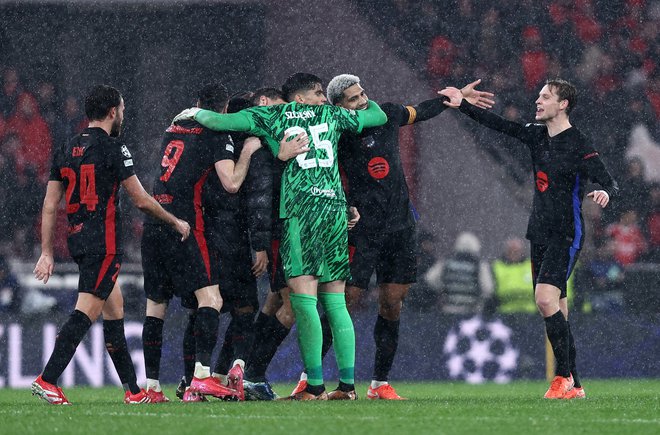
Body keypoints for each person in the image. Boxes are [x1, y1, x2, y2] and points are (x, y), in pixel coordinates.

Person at [173, 72, 387, 400]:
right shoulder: (333, 115)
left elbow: (220, 121)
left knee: (303, 302)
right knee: (334, 301)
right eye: (317, 92)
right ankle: (346, 387)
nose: (322, 98)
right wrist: (365, 98)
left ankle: (314, 387)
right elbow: (378, 115)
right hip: (334, 212)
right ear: (300, 98)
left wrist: (192, 113)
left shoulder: (274, 114)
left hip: (301, 214)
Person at [292, 74, 494, 400]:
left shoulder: (387, 114)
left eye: (362, 94)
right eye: (353, 99)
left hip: (401, 227)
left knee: (392, 304)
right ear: (339, 107)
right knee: (342, 303)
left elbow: (421, 110)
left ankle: (379, 384)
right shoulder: (337, 133)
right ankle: (309, 380)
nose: (362, 101)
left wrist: (456, 98)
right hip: (362, 231)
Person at [442, 78, 619, 399]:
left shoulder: (578, 142)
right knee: (557, 311)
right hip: (538, 232)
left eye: (546, 97)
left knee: (544, 299)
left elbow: (608, 179)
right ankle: (576, 385)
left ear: (563, 104)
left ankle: (562, 377)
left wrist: (605, 190)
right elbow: (497, 124)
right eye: (538, 95)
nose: (538, 101)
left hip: (566, 233)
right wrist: (462, 105)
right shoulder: (536, 135)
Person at [31, 84, 191, 405]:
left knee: (114, 309)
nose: (123, 115)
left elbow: (50, 205)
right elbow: (142, 200)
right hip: (102, 242)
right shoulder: (115, 148)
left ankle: (133, 391)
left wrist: (47, 251)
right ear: (112, 112)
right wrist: (175, 222)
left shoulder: (67, 147)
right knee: (85, 310)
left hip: (77, 239)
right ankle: (48, 379)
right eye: (122, 109)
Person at [140, 84, 262, 402]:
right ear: (222, 112)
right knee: (211, 299)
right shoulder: (216, 132)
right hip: (183, 223)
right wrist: (247, 151)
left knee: (156, 307)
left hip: (154, 222)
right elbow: (232, 182)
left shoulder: (176, 124)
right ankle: (202, 377)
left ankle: (151, 387)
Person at [424, 231, 494, 316]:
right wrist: (480, 302)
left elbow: (430, 279)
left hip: (449, 310)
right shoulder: (480, 265)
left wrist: (442, 289)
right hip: (471, 312)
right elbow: (488, 288)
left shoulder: (446, 262)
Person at [491, 237, 535, 314]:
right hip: (505, 313)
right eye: (511, 251)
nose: (514, 254)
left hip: (530, 313)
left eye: (517, 251)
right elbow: (492, 291)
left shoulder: (531, 266)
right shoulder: (497, 266)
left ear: (522, 252)